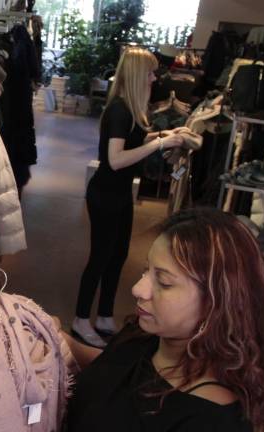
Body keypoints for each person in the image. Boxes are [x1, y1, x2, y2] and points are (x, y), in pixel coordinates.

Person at [48, 208, 264, 432]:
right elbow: (112, 371)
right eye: (146, 270)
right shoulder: (146, 336)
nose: (138, 289)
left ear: (217, 301)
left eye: (163, 281)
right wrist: (60, 339)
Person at [72, 46, 189, 347]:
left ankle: (105, 316)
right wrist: (158, 146)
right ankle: (81, 320)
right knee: (100, 258)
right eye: (150, 72)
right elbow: (115, 159)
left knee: (117, 256)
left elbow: (134, 141)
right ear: (139, 74)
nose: (154, 77)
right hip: (105, 195)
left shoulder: (131, 109)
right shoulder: (119, 111)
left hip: (120, 194)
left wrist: (162, 137)